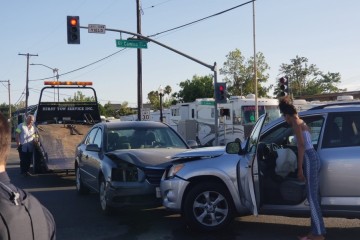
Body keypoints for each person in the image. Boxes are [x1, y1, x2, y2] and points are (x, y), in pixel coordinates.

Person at [0, 112, 56, 239]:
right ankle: (23, 171)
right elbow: (17, 134)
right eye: (30, 121)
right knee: (23, 161)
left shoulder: (33, 127)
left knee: (27, 160)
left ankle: (25, 170)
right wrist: (18, 143)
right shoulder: (41, 213)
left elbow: (36, 135)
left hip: (30, 146)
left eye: (32, 122)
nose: (31, 123)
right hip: (23, 146)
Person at [278, 96, 326, 240]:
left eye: (284, 116)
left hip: (309, 158)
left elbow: (301, 146)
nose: (284, 119)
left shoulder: (296, 124)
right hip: (314, 156)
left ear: (287, 115)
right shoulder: (302, 122)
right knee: (314, 196)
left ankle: (318, 234)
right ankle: (317, 231)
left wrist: (299, 168)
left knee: (312, 198)